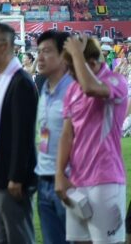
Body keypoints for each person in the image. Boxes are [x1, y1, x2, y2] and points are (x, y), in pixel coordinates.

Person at [55, 34, 128, 244]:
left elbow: (91, 88)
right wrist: (60, 173)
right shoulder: (71, 90)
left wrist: (77, 53)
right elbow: (67, 134)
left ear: (93, 63)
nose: (70, 74)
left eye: (73, 68)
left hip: (106, 180)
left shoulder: (116, 81)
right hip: (76, 181)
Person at [0, 22, 37, 244]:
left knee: (18, 237)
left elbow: (22, 136)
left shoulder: (20, 82)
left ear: (3, 46)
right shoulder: (0, 80)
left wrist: (16, 177)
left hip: (11, 180)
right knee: (2, 237)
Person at [33, 30, 73, 244]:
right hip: (44, 180)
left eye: (47, 51)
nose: (40, 57)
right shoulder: (45, 89)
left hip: (69, 181)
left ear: (64, 56)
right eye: (38, 51)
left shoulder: (75, 90)